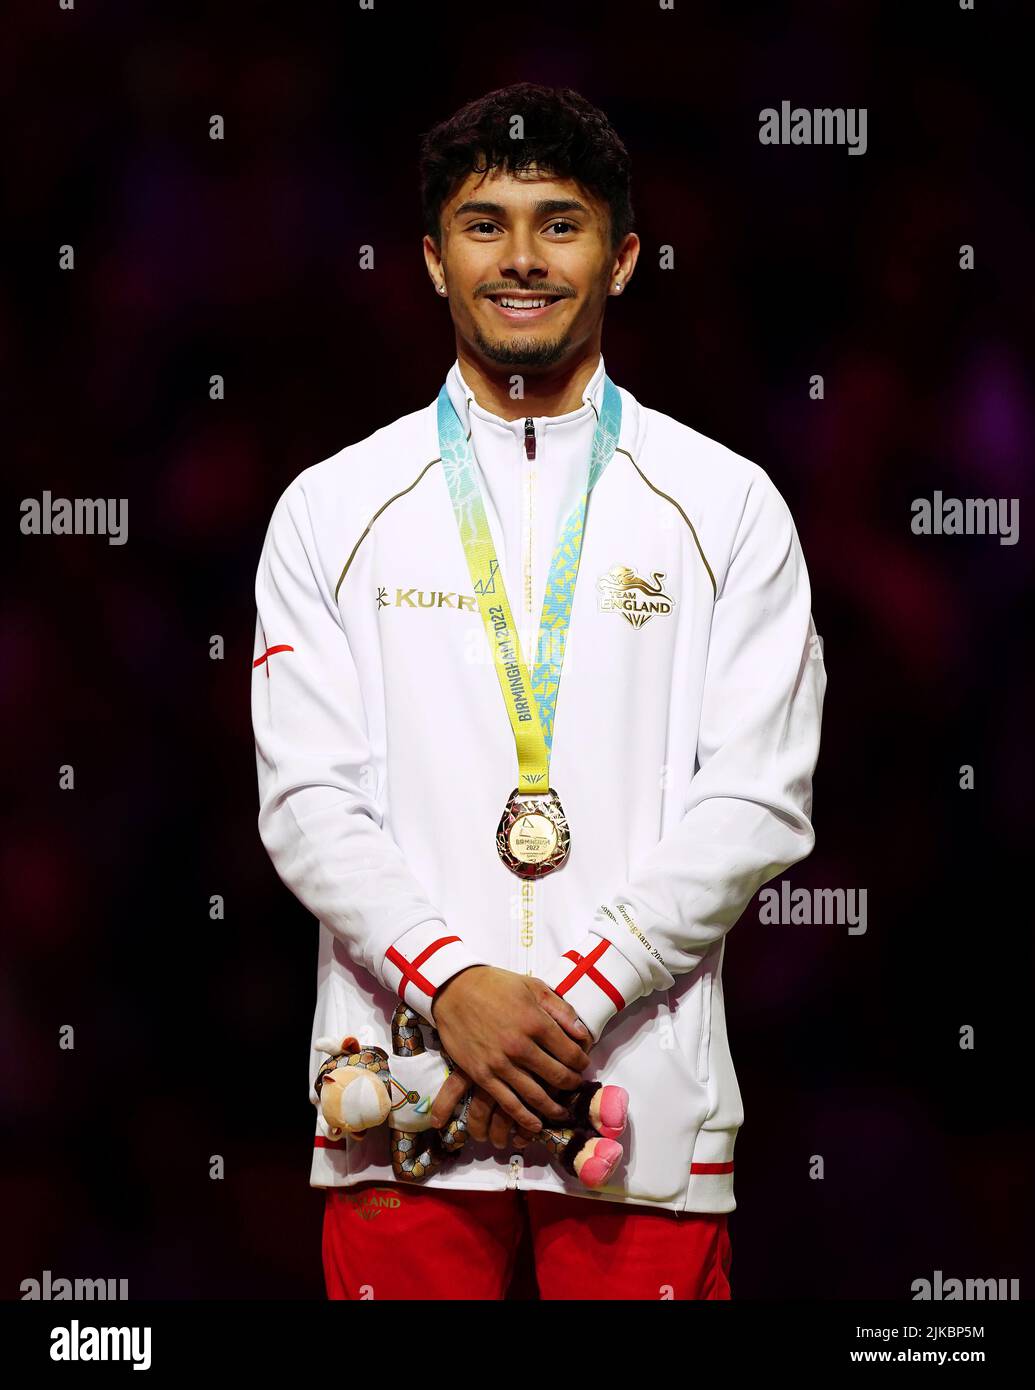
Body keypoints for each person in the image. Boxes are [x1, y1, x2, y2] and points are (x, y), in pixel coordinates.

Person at [251, 82, 827, 1300]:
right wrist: (451, 981)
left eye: (560, 224)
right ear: (429, 256)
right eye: (484, 222)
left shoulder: (726, 507)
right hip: (400, 1101)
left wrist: (570, 998)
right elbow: (306, 798)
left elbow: (761, 799)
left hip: (641, 1105)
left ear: (622, 258)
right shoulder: (331, 509)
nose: (521, 258)